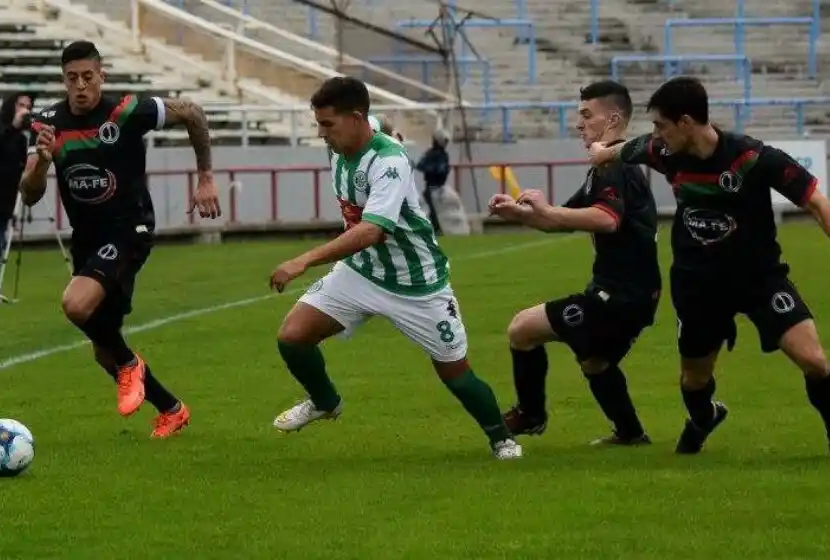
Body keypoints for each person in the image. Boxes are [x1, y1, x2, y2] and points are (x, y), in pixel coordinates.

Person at [268, 76, 522, 460]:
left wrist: (303, 260)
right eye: (318, 124)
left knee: (456, 375)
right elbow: (381, 121)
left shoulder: (388, 161)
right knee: (292, 336)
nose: (321, 134)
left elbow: (371, 231)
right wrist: (387, 127)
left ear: (354, 118)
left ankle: (502, 439)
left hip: (416, 283)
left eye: (327, 124)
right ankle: (325, 402)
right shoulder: (351, 137)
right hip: (363, 272)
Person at [588, 76, 830, 454]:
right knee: (694, 379)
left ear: (686, 123)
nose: (657, 134)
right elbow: (624, 150)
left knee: (814, 360)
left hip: (759, 278)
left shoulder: (752, 158)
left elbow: (817, 201)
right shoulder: (664, 151)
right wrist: (601, 152)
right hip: (698, 283)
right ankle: (703, 417)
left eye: (662, 125)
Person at [18, 41, 221, 438]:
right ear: (63, 80)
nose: (80, 86)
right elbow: (29, 194)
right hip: (87, 238)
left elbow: (193, 113)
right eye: (72, 78)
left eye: (88, 77)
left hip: (130, 229)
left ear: (102, 76)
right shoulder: (47, 124)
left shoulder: (125, 112)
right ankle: (172, 409)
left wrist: (206, 177)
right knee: (103, 351)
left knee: (75, 304)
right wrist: (41, 163)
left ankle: (131, 365)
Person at [489, 80, 661, 446]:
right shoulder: (606, 165)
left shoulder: (614, 164)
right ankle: (631, 434)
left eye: (586, 115)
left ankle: (531, 414)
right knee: (594, 361)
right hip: (635, 294)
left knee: (522, 329)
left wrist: (548, 211)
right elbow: (561, 220)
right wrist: (520, 214)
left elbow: (606, 219)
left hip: (620, 296)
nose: (579, 125)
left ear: (612, 119)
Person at [0, 92, 34, 304]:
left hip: (4, 199)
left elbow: (22, 166)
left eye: (28, 106)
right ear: (11, 104)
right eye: (21, 104)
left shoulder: (21, 139)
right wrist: (12, 127)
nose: (24, 110)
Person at [416, 129, 451, 234]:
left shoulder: (444, 155)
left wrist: (442, 169)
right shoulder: (430, 154)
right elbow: (420, 165)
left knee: (439, 209)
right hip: (431, 186)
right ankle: (436, 228)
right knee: (432, 209)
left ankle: (439, 228)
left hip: (441, 187)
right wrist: (432, 168)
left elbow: (444, 169)